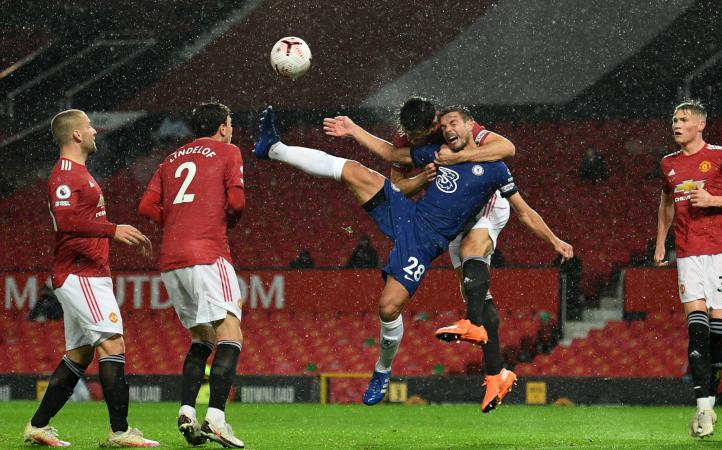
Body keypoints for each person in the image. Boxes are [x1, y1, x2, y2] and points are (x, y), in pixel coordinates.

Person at [254, 104, 572, 409]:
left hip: (426, 242)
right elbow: (393, 156)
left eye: (453, 125)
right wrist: (354, 130)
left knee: (389, 305)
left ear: (467, 126)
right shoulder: (431, 151)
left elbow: (521, 201)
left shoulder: (493, 165)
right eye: (444, 126)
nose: (448, 130)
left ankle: (386, 368)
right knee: (352, 171)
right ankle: (273, 148)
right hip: (409, 214)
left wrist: (553, 239)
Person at [323, 96, 521, 412]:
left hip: (483, 203)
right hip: (450, 218)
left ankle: (487, 353)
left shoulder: (454, 129)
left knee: (474, 267)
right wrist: (418, 175)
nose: (411, 141)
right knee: (474, 291)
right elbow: (398, 180)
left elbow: (506, 149)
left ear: (435, 124)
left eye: (418, 136)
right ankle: (497, 372)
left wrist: (462, 158)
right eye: (409, 136)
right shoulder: (413, 144)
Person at [24, 109, 158, 447]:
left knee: (81, 354)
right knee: (113, 344)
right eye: (89, 126)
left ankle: (37, 426)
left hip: (91, 273)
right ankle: (120, 432)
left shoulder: (82, 173)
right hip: (79, 272)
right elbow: (67, 220)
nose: (95, 130)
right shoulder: (65, 174)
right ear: (77, 135)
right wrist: (114, 230)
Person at [138, 102, 245, 448]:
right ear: (222, 127)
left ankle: (187, 410)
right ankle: (216, 418)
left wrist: (178, 222)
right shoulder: (228, 152)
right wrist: (219, 219)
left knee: (202, 338)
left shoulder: (170, 160)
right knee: (231, 332)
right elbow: (238, 204)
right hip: (208, 252)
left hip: (172, 260)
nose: (231, 128)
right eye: (230, 122)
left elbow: (145, 207)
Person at [654, 99, 722, 439]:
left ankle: (708, 405)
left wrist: (713, 200)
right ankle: (703, 409)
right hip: (688, 254)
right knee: (696, 332)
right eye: (674, 119)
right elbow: (667, 202)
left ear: (701, 124)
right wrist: (660, 242)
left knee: (718, 333)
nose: (677, 123)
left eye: (683, 119)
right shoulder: (667, 164)